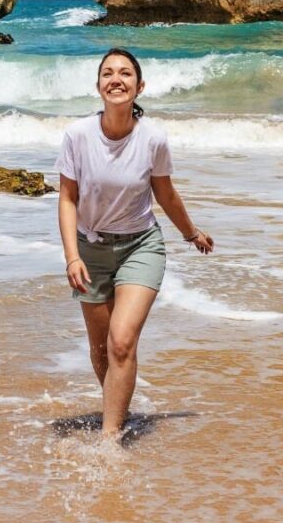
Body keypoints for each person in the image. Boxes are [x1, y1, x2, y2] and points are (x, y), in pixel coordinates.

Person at [56, 47, 213, 439]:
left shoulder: (153, 139)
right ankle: (119, 408)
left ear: (139, 86)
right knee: (100, 348)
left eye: (125, 73)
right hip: (89, 249)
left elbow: (165, 194)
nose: (116, 79)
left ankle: (110, 437)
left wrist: (190, 232)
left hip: (140, 246)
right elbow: (67, 198)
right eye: (108, 73)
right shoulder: (77, 135)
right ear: (98, 86)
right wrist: (72, 256)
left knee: (121, 341)